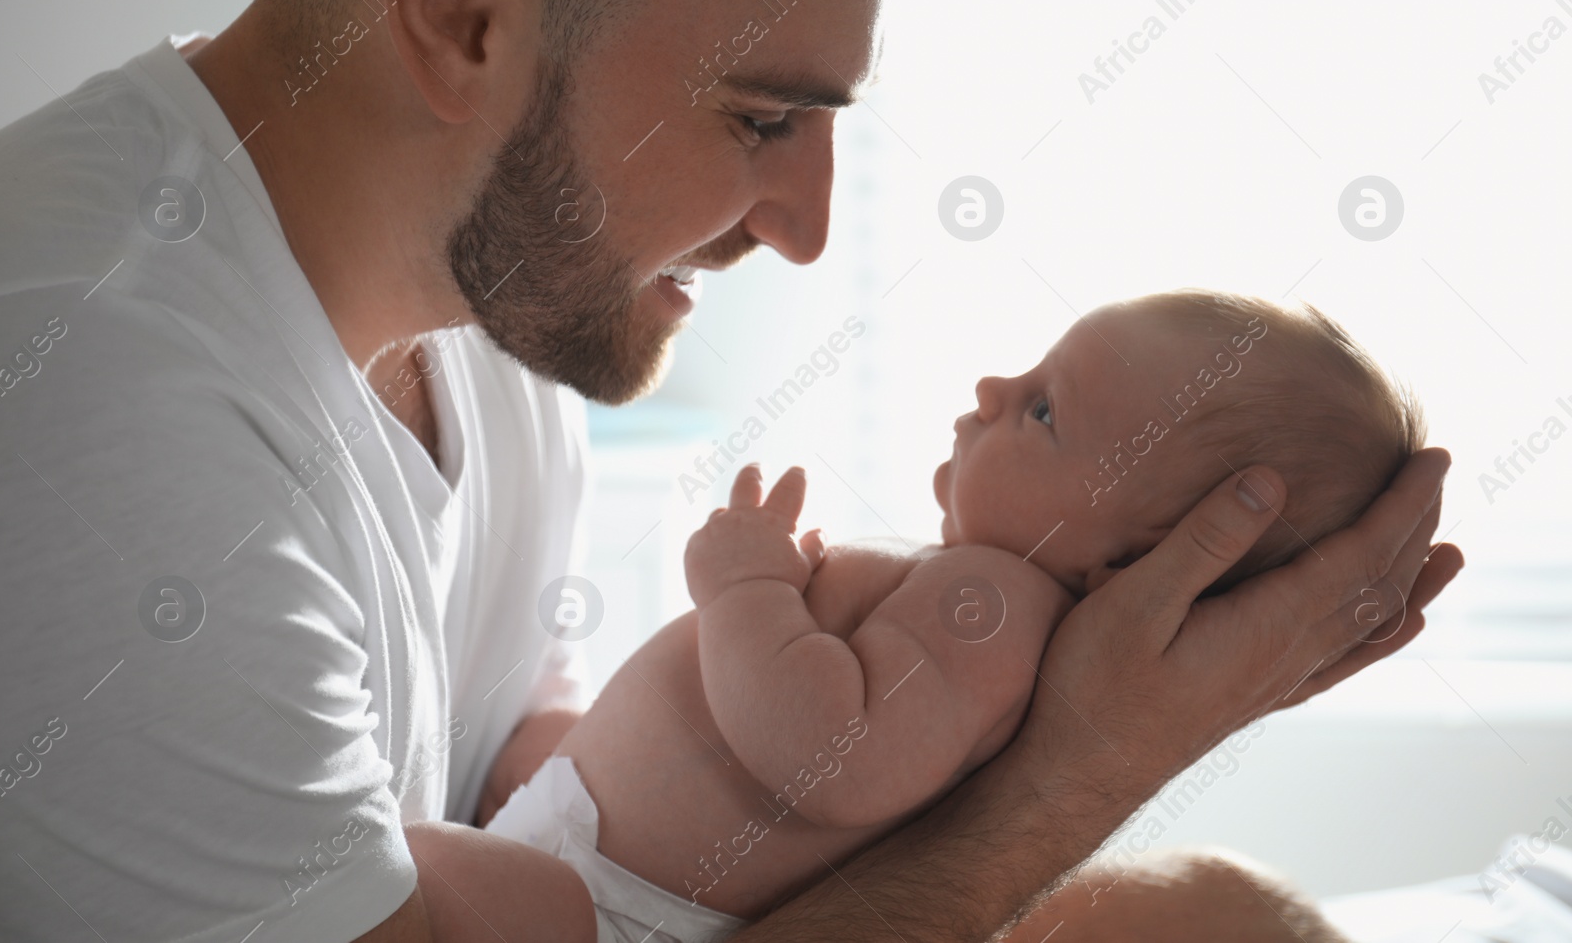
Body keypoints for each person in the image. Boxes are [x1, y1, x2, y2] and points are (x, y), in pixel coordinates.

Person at [0, 0, 1460, 941]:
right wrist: (1074, 773)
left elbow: (525, 766)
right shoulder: (86, 401)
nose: (808, 225)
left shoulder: (496, 313)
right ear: (459, 7)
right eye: (762, 116)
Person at [477, 291, 1427, 941]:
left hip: (608, 903)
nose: (994, 391)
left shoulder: (995, 615)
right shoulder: (980, 596)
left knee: (411, 895)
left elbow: (831, 754)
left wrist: (746, 594)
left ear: (1131, 565)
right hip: (589, 857)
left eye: (1046, 411)